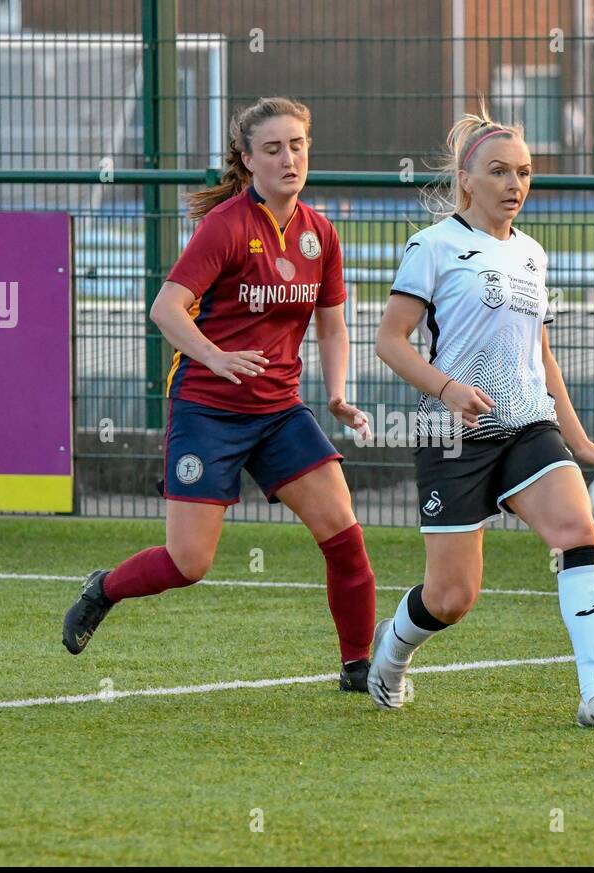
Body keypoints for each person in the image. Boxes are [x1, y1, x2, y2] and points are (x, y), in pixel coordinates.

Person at [62, 96, 377, 692]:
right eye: (273, 149)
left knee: (345, 536)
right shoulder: (227, 225)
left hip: (280, 412)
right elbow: (166, 308)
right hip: (208, 410)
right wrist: (216, 355)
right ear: (247, 160)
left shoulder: (320, 234)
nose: (289, 158)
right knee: (189, 564)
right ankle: (103, 588)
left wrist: (336, 395)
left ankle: (358, 668)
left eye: (298, 145)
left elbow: (333, 326)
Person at [368, 109, 594, 729]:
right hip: (452, 434)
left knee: (578, 531)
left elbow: (540, 354)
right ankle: (389, 655)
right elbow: (390, 341)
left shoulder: (531, 255)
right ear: (467, 180)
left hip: (526, 424)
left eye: (523, 172)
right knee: (452, 598)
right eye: (498, 172)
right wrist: (447, 390)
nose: (514, 184)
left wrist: (578, 442)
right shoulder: (432, 246)